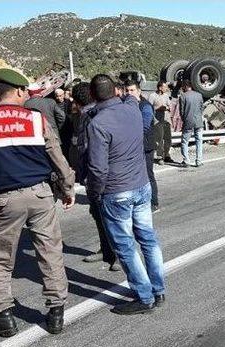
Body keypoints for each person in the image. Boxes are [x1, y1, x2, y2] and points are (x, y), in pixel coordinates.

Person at [0, 69, 75, 337]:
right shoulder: (36, 120)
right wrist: (67, 188)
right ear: (17, 91)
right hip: (40, 195)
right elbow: (57, 157)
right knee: (49, 252)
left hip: (5, 198)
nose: (28, 95)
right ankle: (56, 313)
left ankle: (4, 316)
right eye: (26, 91)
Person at [86, 74, 166, 315]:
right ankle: (158, 289)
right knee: (148, 240)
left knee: (126, 246)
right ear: (117, 91)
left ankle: (144, 297)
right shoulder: (133, 108)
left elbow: (98, 169)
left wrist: (96, 193)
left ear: (92, 95)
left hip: (117, 191)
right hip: (142, 186)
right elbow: (133, 98)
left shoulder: (97, 124)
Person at [72, 82, 120, 271]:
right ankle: (106, 250)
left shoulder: (92, 115)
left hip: (100, 174)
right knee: (98, 214)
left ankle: (117, 254)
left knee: (109, 215)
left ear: (76, 100)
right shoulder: (86, 115)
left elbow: (88, 148)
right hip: (95, 174)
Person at [125, 80, 159, 213]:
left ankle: (153, 202)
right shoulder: (125, 105)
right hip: (132, 147)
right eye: (127, 91)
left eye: (132, 90)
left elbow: (144, 126)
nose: (129, 93)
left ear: (138, 91)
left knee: (148, 174)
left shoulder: (145, 106)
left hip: (145, 146)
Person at [179, 80, 205, 167]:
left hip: (188, 121)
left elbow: (181, 111)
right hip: (198, 121)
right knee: (199, 141)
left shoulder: (183, 96)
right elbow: (201, 108)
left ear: (185, 86)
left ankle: (186, 160)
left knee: (185, 141)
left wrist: (184, 119)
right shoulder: (199, 95)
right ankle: (199, 161)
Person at [147, 81, 173, 165]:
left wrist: (168, 108)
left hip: (166, 120)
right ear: (160, 88)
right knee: (159, 139)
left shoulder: (166, 96)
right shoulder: (152, 96)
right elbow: (148, 108)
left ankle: (167, 155)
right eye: (165, 87)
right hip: (157, 121)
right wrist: (158, 108)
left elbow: (170, 105)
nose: (166, 89)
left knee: (168, 138)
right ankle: (160, 156)